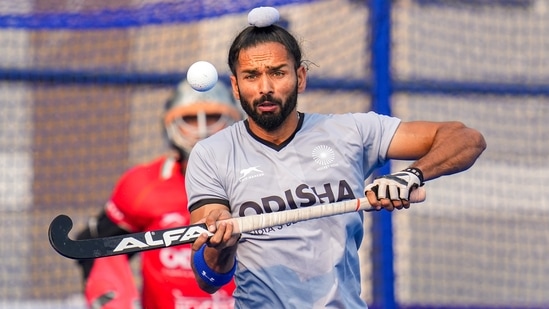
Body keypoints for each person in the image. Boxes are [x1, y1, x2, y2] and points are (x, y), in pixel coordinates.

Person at [184, 7, 487, 309]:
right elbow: (209, 279)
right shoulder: (212, 154)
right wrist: (221, 246)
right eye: (251, 76)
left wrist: (411, 175)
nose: (265, 88)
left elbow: (467, 139)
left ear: (300, 77)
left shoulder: (351, 132)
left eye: (278, 73)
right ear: (235, 86)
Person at [75, 79, 243, 309]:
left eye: (213, 117)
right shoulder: (142, 185)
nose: (203, 130)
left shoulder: (259, 182)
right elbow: (96, 247)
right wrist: (114, 298)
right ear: (171, 124)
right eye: (191, 119)